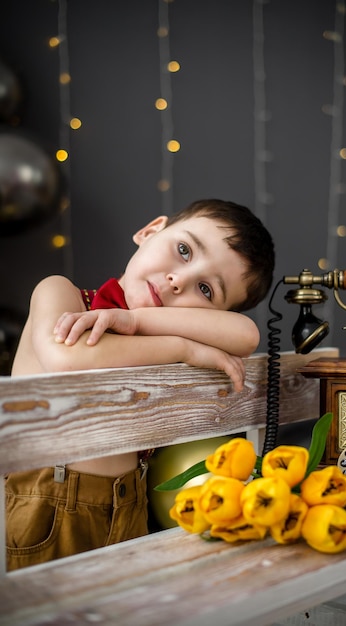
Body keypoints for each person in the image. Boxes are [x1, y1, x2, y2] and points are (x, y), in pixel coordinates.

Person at [6, 198, 275, 570]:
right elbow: (67, 357)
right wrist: (183, 347)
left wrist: (137, 321)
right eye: (184, 250)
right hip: (45, 508)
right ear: (149, 231)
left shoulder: (155, 332)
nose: (178, 281)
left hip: (131, 510)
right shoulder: (63, 294)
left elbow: (246, 334)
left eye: (206, 290)